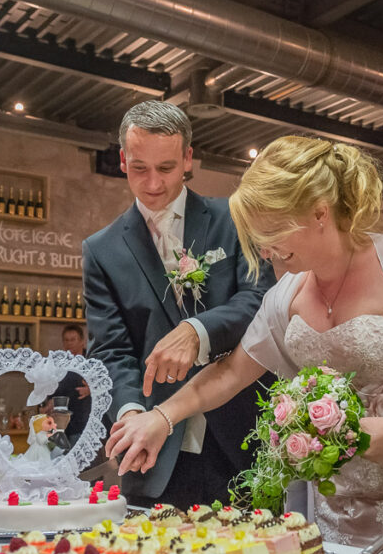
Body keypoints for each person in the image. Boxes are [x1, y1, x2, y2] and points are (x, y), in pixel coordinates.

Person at [106, 136, 383, 554]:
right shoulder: (287, 294)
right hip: (339, 500)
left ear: (320, 212)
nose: (264, 249)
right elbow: (231, 373)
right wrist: (161, 417)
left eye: (272, 232)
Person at [82, 101, 274, 506]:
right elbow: (111, 349)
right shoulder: (100, 249)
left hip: (241, 440)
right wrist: (131, 413)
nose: (153, 183)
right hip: (155, 454)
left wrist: (197, 330)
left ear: (188, 158)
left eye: (166, 168)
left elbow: (259, 299)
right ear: (122, 160)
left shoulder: (234, 218)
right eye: (139, 168)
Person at [52, 324, 92, 442]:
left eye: (73, 340)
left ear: (82, 341)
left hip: (83, 424)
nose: (69, 343)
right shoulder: (58, 364)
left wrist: (91, 390)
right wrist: (49, 402)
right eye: (66, 340)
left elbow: (107, 386)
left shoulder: (91, 362)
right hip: (61, 425)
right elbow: (54, 390)